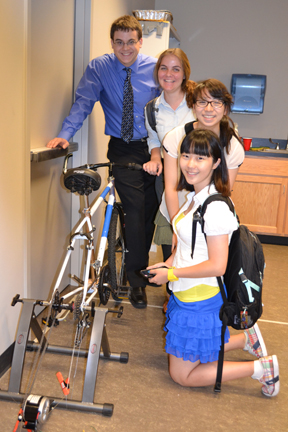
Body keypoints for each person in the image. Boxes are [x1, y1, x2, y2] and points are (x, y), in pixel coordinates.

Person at [146, 129, 279, 396]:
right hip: (188, 292)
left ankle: (262, 369)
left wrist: (171, 274)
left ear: (216, 163)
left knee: (181, 375)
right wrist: (167, 263)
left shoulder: (215, 206)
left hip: (201, 297)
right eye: (185, 156)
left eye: (200, 158)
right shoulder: (195, 197)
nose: (190, 164)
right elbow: (187, 246)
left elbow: (218, 265)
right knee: (192, 351)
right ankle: (245, 339)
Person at [47, 15, 160, 309]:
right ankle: (137, 281)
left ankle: (164, 273)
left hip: (158, 146)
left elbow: (171, 104)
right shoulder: (99, 67)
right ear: (112, 43)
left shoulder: (155, 67)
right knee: (135, 211)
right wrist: (63, 135)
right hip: (123, 148)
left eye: (131, 42)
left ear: (140, 41)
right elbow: (83, 103)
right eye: (119, 42)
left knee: (156, 211)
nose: (125, 48)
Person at [142, 48, 196, 278]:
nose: (169, 74)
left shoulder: (198, 103)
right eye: (163, 68)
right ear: (157, 72)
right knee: (169, 230)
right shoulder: (152, 109)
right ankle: (171, 290)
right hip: (168, 179)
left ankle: (192, 284)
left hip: (196, 178)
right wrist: (155, 157)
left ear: (184, 73)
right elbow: (154, 138)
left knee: (195, 232)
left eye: (176, 68)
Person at [163, 78, 245, 223]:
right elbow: (171, 187)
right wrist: (176, 225)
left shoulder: (232, 147)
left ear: (225, 109)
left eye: (216, 103)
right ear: (193, 107)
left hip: (211, 215)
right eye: (202, 102)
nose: (208, 109)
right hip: (175, 211)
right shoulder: (176, 137)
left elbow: (224, 192)